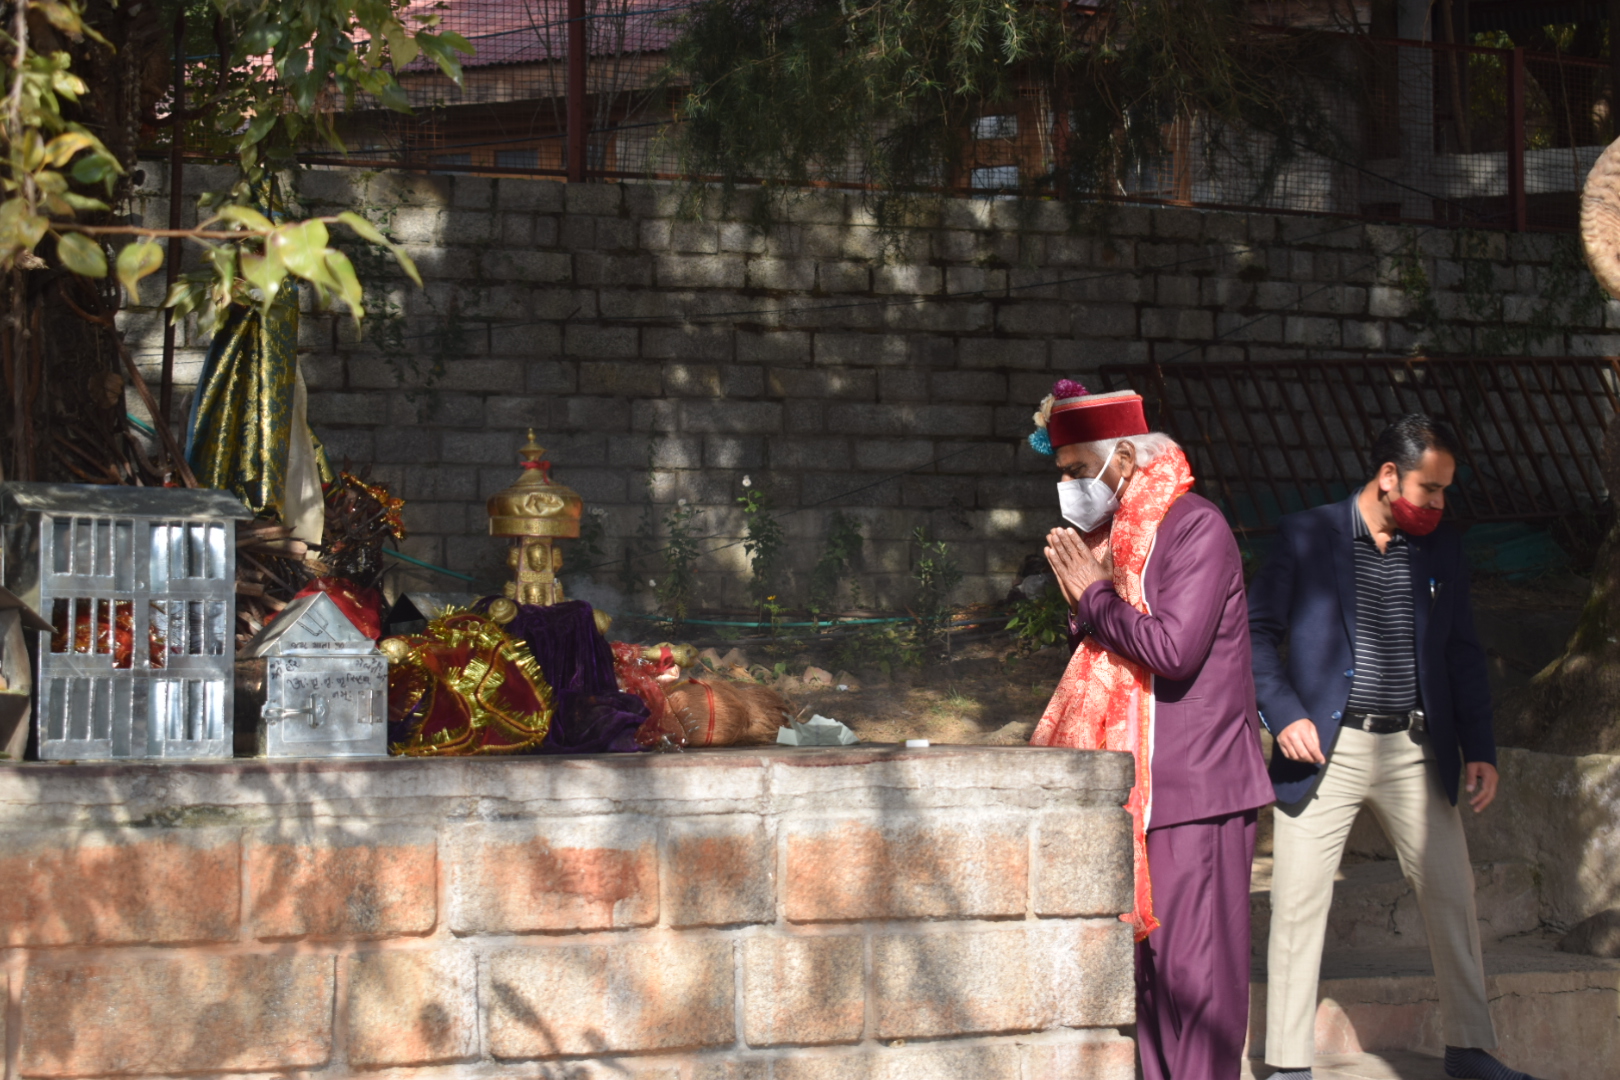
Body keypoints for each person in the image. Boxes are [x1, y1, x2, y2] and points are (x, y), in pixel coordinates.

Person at [1247, 414, 1540, 1080]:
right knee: (1296, 903)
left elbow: (1463, 653)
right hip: (1323, 747)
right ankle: (1289, 1065)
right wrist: (1283, 715)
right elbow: (1255, 637)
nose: (1438, 505)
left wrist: (1481, 747)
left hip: (1415, 746)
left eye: (1444, 493)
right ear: (1388, 476)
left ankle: (1469, 1050)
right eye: (1429, 491)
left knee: (1452, 893)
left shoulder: (1441, 550)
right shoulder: (1305, 536)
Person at [1028, 380, 1273, 1080]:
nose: (1071, 489)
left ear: (1127, 456)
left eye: (1076, 471)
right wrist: (1093, 598)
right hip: (1145, 796)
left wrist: (1094, 596)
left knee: (1195, 993)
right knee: (1152, 992)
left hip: (1198, 795)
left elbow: (1172, 649)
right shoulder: (1123, 537)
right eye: (1065, 475)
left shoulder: (1195, 527)